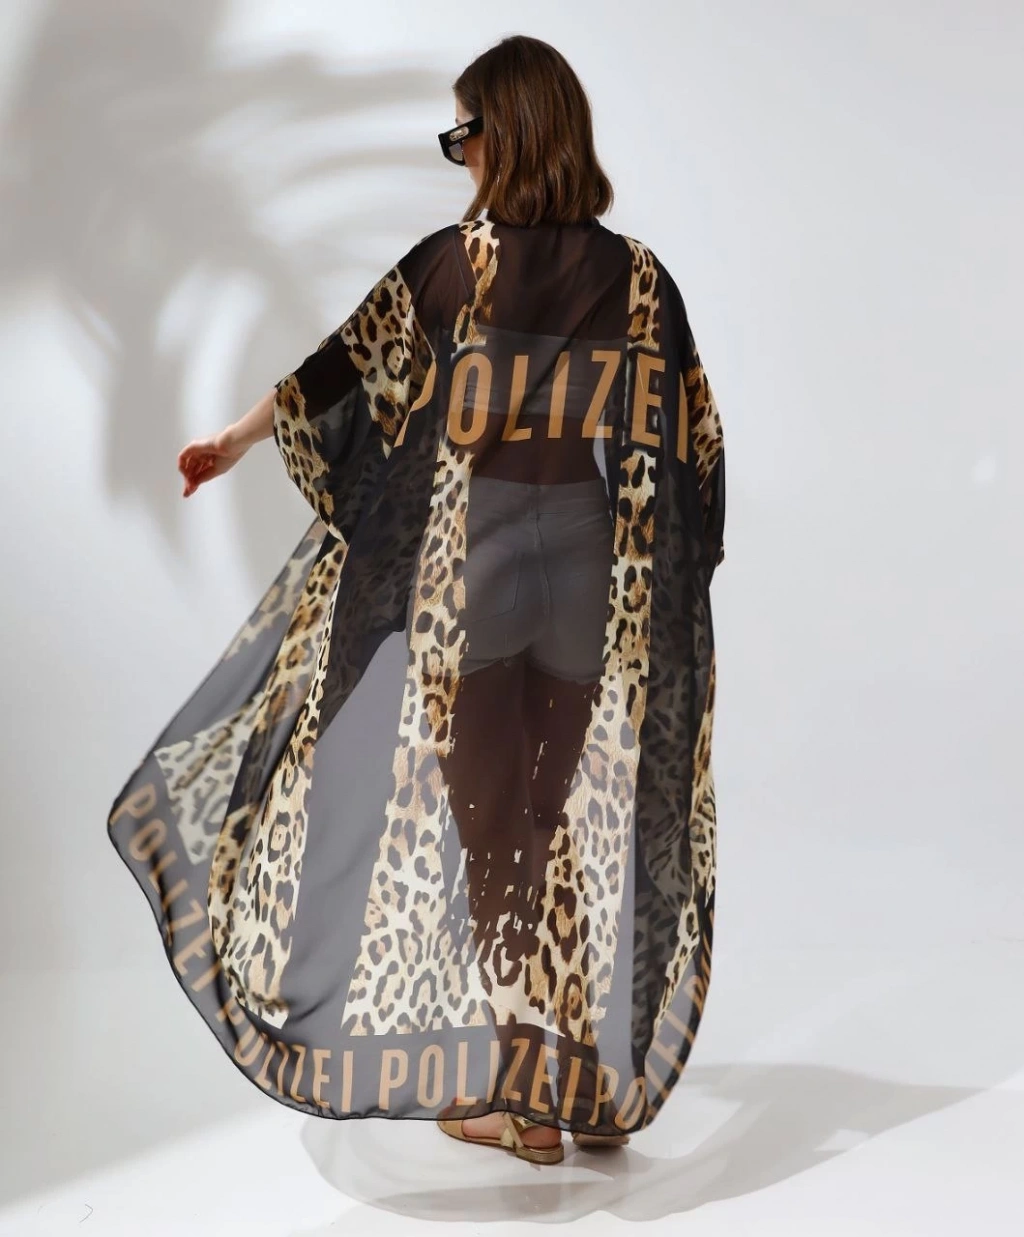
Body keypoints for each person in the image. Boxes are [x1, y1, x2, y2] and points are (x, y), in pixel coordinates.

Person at [109, 34, 725, 1168]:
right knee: (545, 823)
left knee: (494, 834)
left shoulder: (453, 267)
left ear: (507, 133)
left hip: (477, 581)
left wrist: (233, 441)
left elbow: (336, 374)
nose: (460, 157)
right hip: (583, 574)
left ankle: (520, 1099)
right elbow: (696, 449)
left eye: (463, 135)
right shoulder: (639, 280)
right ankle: (575, 1079)